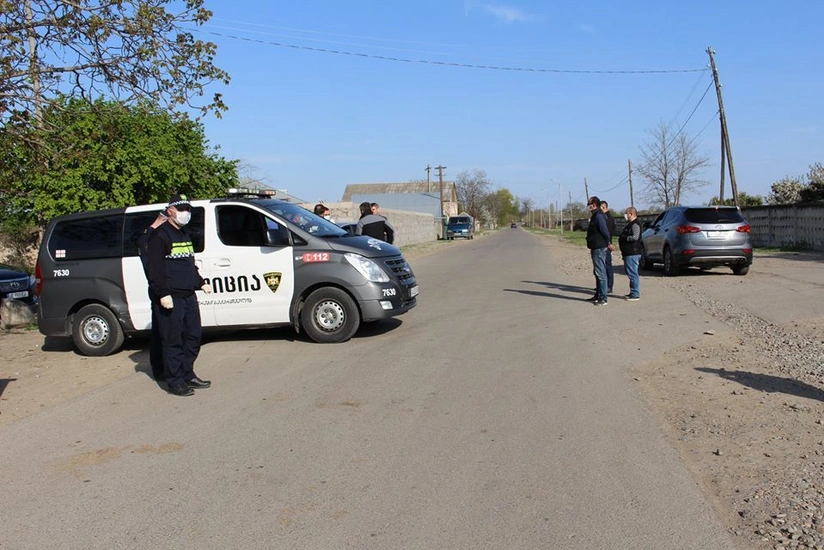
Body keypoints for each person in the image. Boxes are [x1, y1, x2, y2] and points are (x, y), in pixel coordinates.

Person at [147, 194, 212, 397]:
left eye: (188, 209)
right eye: (182, 209)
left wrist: (200, 282)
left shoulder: (184, 234)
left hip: (188, 295)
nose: (186, 213)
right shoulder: (160, 236)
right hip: (171, 298)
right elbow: (155, 269)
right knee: (173, 341)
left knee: (193, 337)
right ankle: (175, 381)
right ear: (170, 211)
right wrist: (163, 293)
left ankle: (187, 373)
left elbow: (188, 264)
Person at [137, 210, 168, 380]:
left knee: (164, 329)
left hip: (165, 288)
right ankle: (160, 369)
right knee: (160, 331)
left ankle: (165, 368)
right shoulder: (149, 238)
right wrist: (155, 224)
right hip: (158, 289)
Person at [585, 196, 613, 306]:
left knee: (601, 273)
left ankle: (603, 297)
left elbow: (605, 231)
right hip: (595, 247)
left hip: (599, 247)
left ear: (594, 205)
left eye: (589, 204)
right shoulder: (595, 215)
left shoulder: (599, 216)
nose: (588, 206)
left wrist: (607, 242)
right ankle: (598, 295)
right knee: (597, 272)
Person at [618, 206, 643, 301]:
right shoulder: (630, 224)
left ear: (631, 214)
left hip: (633, 252)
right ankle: (632, 292)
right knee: (630, 273)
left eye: (626, 213)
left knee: (633, 274)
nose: (625, 215)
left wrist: (625, 238)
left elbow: (635, 237)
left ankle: (635, 294)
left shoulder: (635, 224)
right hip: (628, 252)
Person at [600, 200, 616, 294]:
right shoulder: (603, 217)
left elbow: (608, 232)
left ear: (604, 207)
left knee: (607, 266)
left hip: (607, 245)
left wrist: (609, 243)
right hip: (602, 244)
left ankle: (609, 286)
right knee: (602, 266)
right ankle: (603, 285)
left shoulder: (608, 218)